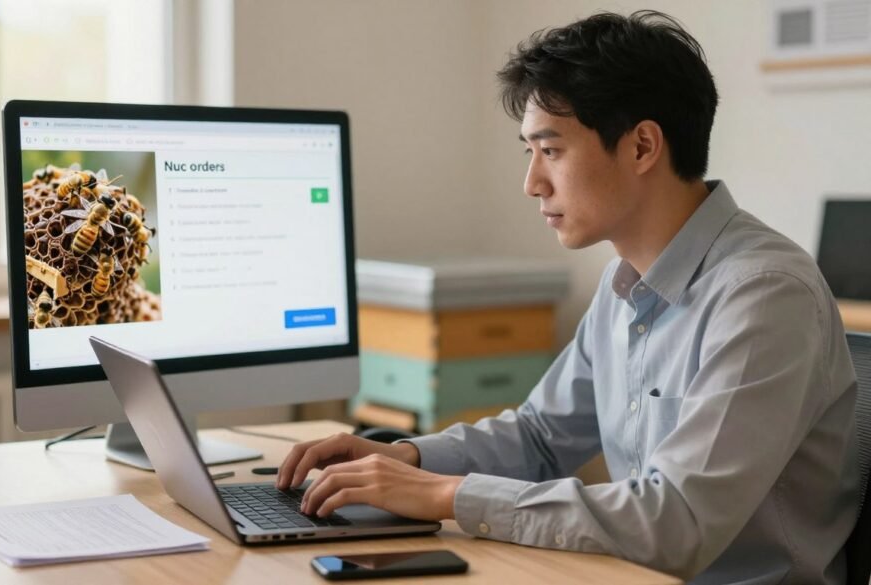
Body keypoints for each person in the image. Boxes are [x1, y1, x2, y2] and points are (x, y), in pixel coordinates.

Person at [276, 10, 859, 585]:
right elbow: (539, 436)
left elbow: (677, 522)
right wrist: (409, 459)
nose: (532, 182)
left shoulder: (763, 295)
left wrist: (446, 494)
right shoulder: (624, 282)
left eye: (550, 150)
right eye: (529, 152)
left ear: (642, 147)